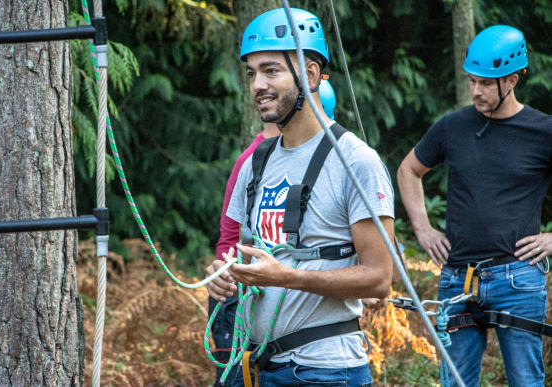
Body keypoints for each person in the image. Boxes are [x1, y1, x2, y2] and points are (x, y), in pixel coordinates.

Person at [206, 7, 394, 387]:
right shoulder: (254, 163)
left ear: (309, 74)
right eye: (252, 73)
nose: (257, 84)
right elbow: (245, 252)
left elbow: (379, 278)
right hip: (256, 365)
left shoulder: (356, 162)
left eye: (271, 70)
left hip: (324, 371)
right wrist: (225, 275)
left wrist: (289, 277)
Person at [397, 25, 551, 387]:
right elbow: (408, 170)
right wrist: (422, 227)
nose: (475, 91)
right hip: (457, 278)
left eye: (485, 83)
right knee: (454, 383)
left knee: (526, 382)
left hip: (518, 278)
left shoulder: (543, 131)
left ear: (512, 80)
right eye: (472, 81)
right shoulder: (454, 126)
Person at [208, 77, 339, 386]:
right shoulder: (253, 161)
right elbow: (230, 239)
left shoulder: (331, 159)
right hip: (240, 298)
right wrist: (227, 273)